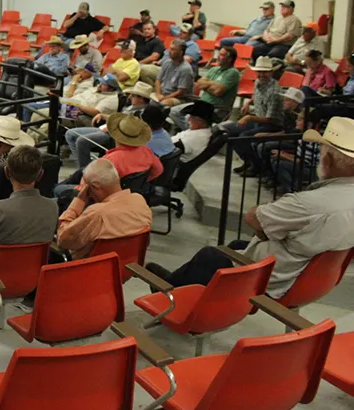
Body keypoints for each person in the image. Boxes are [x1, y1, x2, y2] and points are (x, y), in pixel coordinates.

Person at [146, 117, 354, 299]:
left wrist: (267, 225)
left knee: (210, 256)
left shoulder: (309, 203)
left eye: (321, 153)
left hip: (275, 276)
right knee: (236, 244)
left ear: (327, 159)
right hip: (310, 274)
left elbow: (254, 218)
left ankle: (172, 296)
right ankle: (179, 284)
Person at [57, 158, 152, 259]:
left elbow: (63, 240)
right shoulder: (139, 201)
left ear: (95, 187)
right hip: (126, 268)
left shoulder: (97, 213)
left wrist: (77, 204)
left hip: (87, 270)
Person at [54, 112, 163, 198]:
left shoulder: (110, 160)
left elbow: (85, 186)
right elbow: (158, 170)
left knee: (58, 190)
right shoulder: (146, 151)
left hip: (103, 197)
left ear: (115, 134)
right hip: (128, 194)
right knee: (79, 173)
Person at [63, 82, 153, 169]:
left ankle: (84, 171)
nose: (129, 97)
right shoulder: (131, 106)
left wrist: (112, 127)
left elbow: (130, 129)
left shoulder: (142, 113)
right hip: (109, 128)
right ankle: (82, 166)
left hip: (116, 135)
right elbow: (120, 117)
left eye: (133, 96)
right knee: (70, 133)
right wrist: (103, 115)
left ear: (141, 98)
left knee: (81, 141)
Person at [221, 56, 283, 176]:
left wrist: (248, 117)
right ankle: (248, 161)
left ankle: (257, 166)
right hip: (258, 120)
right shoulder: (258, 84)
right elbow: (257, 96)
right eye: (259, 72)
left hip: (271, 125)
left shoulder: (275, 92)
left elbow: (270, 119)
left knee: (244, 137)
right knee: (228, 130)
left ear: (271, 72)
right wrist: (249, 102)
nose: (261, 75)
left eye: (265, 72)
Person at [169, 46, 240, 130]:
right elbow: (199, 84)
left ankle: (193, 131)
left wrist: (207, 85)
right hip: (201, 104)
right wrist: (213, 84)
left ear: (230, 59)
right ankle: (192, 130)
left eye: (222, 55)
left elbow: (218, 91)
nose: (218, 56)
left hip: (216, 108)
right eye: (219, 54)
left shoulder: (233, 73)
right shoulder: (214, 69)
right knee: (173, 112)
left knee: (191, 119)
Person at [153, 41, 195, 107]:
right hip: (164, 93)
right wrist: (158, 94)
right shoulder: (167, 62)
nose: (170, 51)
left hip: (180, 99)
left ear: (181, 52)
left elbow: (180, 92)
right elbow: (158, 80)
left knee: (162, 104)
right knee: (148, 100)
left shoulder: (186, 69)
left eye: (173, 49)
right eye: (170, 49)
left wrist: (165, 98)